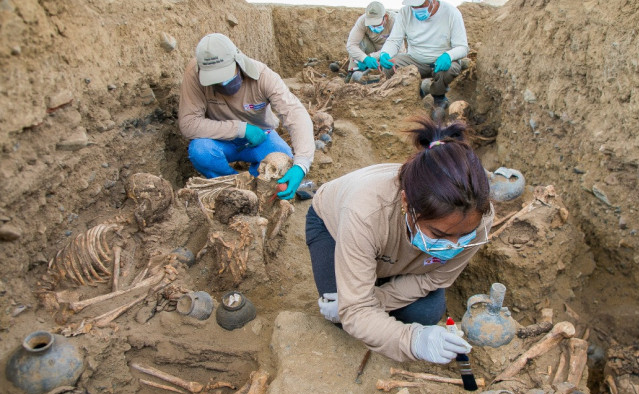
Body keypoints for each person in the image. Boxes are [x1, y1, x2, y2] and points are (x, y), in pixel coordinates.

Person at [305, 116, 494, 363]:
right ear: (406, 203)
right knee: (345, 318)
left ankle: (379, 281)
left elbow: (437, 277)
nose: (455, 246)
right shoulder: (365, 214)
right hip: (332, 226)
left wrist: (376, 300)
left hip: (391, 249)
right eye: (439, 235)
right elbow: (356, 312)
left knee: (426, 312)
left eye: (464, 236)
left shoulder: (479, 217)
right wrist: (411, 340)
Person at [178, 33, 314, 200]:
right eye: (215, 81)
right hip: (218, 140)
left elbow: (295, 113)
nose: (221, 85)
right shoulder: (195, 73)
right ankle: (232, 184)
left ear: (238, 61)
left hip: (260, 139)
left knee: (282, 160)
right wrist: (240, 129)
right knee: (200, 151)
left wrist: (301, 164)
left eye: (225, 78)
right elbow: (188, 123)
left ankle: (257, 183)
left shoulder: (263, 76)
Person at [378, 0, 469, 109]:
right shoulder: (405, 13)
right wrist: (385, 53)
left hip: (440, 61)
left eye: (421, 5)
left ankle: (439, 97)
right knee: (390, 67)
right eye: (413, 6)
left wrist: (448, 56)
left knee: (448, 70)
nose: (417, 9)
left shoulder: (451, 13)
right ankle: (415, 93)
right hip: (415, 60)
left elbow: (462, 47)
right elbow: (394, 40)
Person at [345, 1, 398, 77]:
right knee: (360, 40)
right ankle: (353, 73)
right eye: (371, 24)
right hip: (372, 48)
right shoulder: (362, 21)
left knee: (393, 65)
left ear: (385, 17)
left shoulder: (395, 21)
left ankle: (380, 74)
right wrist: (364, 58)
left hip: (389, 53)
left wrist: (372, 56)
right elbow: (351, 45)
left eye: (377, 24)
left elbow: (398, 48)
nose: (374, 27)